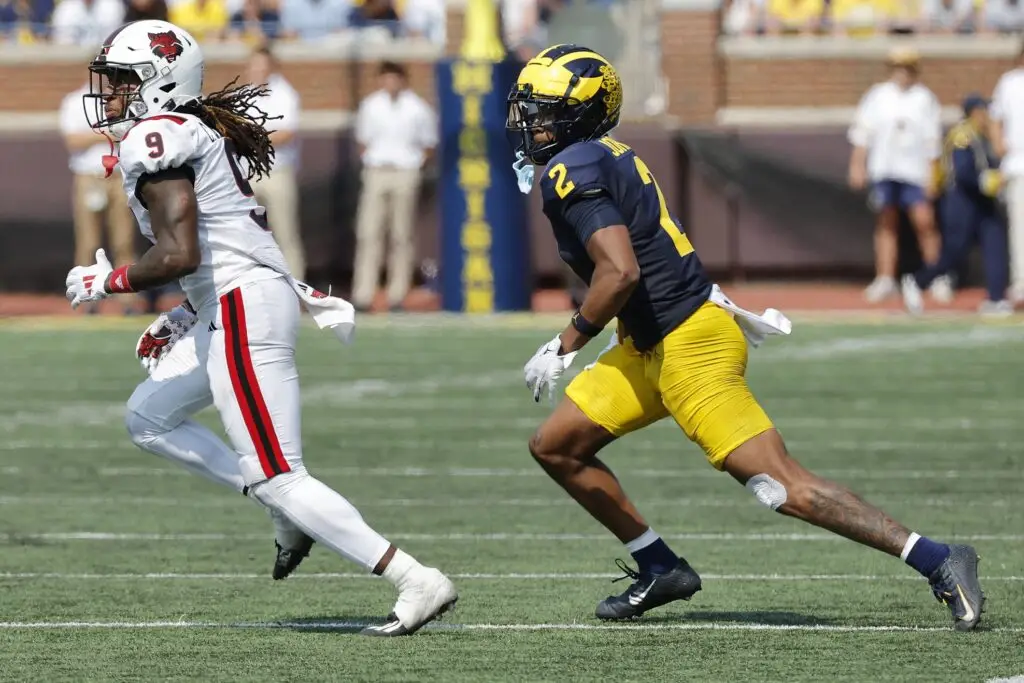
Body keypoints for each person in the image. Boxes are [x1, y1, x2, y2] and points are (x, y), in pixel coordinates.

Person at [506, 43, 984, 630]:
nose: (529, 122)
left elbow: (620, 271)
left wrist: (566, 341)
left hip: (690, 343)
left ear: (581, 112)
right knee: (556, 445)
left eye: (543, 109)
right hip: (649, 342)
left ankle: (938, 558)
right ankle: (659, 566)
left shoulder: (571, 166)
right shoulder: (598, 155)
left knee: (782, 487)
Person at [64, 19, 457, 637]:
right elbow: (219, 245)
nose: (109, 94)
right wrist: (183, 313)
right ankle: (284, 511)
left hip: (243, 305)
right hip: (229, 301)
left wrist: (107, 283)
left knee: (280, 473)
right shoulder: (176, 130)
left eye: (120, 81)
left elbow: (180, 255)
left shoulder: (160, 136)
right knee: (149, 418)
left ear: (158, 82)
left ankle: (413, 576)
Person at [847, 47, 949, 304]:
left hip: (914, 171)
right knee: (886, 223)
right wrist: (857, 165)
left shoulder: (925, 98)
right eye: (898, 67)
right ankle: (885, 278)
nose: (902, 72)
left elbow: (932, 141)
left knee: (924, 222)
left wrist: (932, 174)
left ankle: (935, 276)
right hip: (884, 168)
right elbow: (863, 133)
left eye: (907, 67)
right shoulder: (877, 96)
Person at [902, 94, 1011, 316]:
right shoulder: (962, 135)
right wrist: (984, 180)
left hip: (983, 202)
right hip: (962, 201)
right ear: (975, 112)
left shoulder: (984, 135)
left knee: (995, 243)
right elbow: (962, 171)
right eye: (984, 111)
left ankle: (996, 298)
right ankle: (918, 281)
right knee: (955, 251)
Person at [351, 61, 437, 312]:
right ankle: (363, 293)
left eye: (394, 78)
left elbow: (429, 144)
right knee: (369, 233)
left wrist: (414, 165)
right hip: (377, 171)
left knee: (402, 234)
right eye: (385, 78)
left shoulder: (417, 108)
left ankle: (397, 294)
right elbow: (362, 141)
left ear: (403, 80)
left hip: (405, 172)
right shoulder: (370, 105)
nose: (390, 83)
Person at [246, 43, 305, 280]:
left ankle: (297, 289)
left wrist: (252, 138)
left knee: (285, 234)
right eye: (253, 65)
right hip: (248, 172)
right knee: (247, 236)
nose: (257, 70)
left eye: (262, 66)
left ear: (272, 68)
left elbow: (286, 133)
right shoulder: (243, 93)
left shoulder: (285, 94)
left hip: (277, 171)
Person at [990, 43, 1024, 305]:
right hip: (1018, 165)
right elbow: (995, 119)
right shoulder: (1009, 81)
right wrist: (1000, 146)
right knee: (1020, 230)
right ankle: (1021, 285)